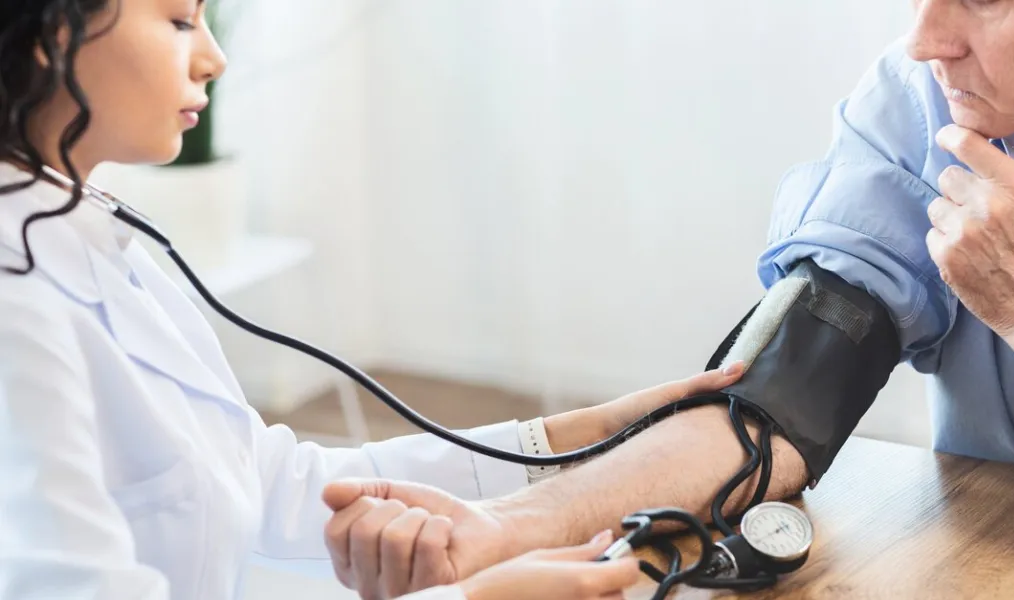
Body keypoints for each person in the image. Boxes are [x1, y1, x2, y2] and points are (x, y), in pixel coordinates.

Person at [325, 0, 1014, 596]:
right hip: (990, 559)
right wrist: (509, 526)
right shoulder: (915, 98)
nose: (928, 38)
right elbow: (778, 399)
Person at [0, 2, 749, 599]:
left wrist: (572, 436)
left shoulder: (89, 235)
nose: (213, 57)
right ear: (50, 29)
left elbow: (259, 478)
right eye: (177, 19)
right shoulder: (17, 303)